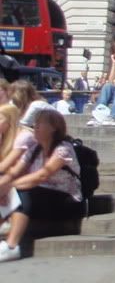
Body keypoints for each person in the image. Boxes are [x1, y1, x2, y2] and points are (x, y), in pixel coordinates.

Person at [0, 108, 83, 263]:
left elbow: (42, 175)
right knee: (13, 189)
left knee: (20, 191)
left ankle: (12, 246)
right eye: (34, 124)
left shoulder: (63, 149)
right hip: (39, 196)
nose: (35, 127)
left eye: (39, 124)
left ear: (53, 127)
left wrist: (8, 187)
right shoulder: (34, 149)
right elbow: (14, 172)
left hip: (65, 200)